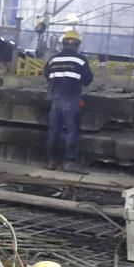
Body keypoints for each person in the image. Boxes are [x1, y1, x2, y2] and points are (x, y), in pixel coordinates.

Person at [44, 29, 92, 170]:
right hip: (71, 98)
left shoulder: (54, 59)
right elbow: (88, 79)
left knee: (54, 131)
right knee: (72, 130)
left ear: (63, 44)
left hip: (55, 99)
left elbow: (47, 75)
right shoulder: (80, 60)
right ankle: (69, 162)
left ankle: (51, 161)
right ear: (77, 44)